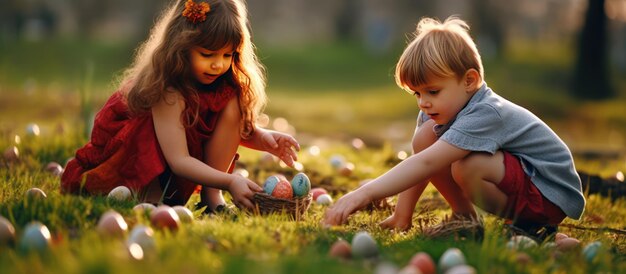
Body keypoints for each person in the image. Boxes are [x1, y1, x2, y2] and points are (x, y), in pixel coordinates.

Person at [323, 16, 585, 242]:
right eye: (417, 93)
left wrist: (364, 193)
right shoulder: (439, 111)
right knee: (426, 137)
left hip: (548, 192)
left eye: (433, 91)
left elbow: (427, 164)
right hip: (523, 178)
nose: (423, 102)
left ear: (470, 80)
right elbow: (421, 158)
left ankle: (528, 227)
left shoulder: (486, 112)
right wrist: (402, 214)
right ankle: (465, 217)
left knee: (467, 166)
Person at [61, 0, 300, 212]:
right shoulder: (167, 90)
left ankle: (210, 197)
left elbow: (214, 128)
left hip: (178, 168)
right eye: (208, 54)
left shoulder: (221, 85)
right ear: (182, 47)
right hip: (137, 169)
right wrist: (229, 181)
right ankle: (149, 198)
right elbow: (179, 160)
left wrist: (262, 138)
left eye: (228, 55)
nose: (219, 65)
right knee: (144, 126)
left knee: (234, 103)